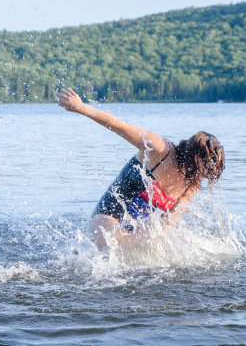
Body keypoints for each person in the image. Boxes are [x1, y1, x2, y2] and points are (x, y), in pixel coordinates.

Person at [56, 88, 225, 251]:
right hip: (108, 216)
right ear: (192, 158)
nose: (200, 176)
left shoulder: (191, 185)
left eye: (205, 173)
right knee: (110, 253)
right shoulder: (160, 150)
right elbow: (121, 127)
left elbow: (169, 223)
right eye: (200, 169)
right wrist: (82, 108)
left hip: (138, 230)